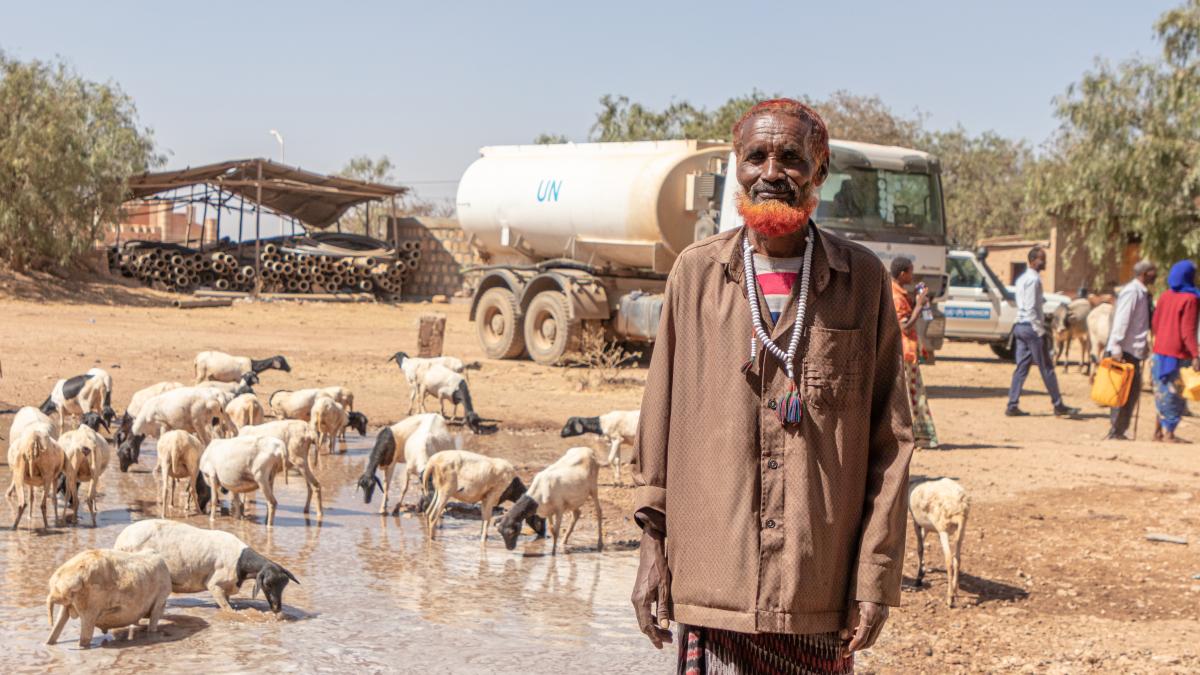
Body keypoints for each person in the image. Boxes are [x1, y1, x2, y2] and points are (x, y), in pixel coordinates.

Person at [630, 99, 914, 674]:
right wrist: (650, 547)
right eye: (756, 156)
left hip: (816, 589)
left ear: (820, 170)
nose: (772, 173)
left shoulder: (860, 281)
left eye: (790, 157)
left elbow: (892, 441)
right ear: (736, 165)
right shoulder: (696, 273)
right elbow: (658, 422)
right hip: (714, 586)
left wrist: (875, 578)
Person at [1005, 246, 1080, 417]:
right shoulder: (1033, 280)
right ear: (1032, 261)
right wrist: (1039, 331)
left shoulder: (1022, 279)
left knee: (1021, 367)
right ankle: (1058, 405)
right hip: (1031, 328)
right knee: (1047, 367)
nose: (1044, 262)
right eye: (1041, 258)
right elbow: (1030, 307)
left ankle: (1012, 404)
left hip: (1020, 326)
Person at [1103, 261, 1157, 440]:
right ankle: (1116, 430)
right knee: (1122, 391)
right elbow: (1122, 319)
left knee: (1132, 391)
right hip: (1124, 350)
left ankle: (1120, 429)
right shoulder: (1132, 292)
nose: (1155, 275)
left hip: (1133, 349)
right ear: (1144, 273)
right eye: (1152, 272)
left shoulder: (1142, 292)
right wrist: (1116, 346)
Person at [890, 256, 939, 449]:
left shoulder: (899, 292)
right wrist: (918, 305)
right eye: (910, 271)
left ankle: (918, 436)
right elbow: (905, 326)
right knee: (912, 397)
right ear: (902, 274)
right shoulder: (896, 296)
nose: (912, 275)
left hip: (908, 352)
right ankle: (915, 437)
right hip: (904, 353)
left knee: (914, 395)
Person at [1150, 260, 1200, 443]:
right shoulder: (1191, 299)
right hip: (1178, 354)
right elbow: (1188, 330)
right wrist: (1195, 354)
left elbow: (1155, 324)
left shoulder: (1164, 296)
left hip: (1159, 352)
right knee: (1175, 394)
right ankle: (1169, 434)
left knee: (1161, 391)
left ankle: (1157, 432)